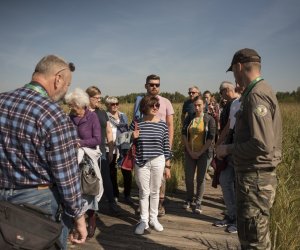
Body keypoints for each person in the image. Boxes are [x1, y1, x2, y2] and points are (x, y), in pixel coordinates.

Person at [0, 55, 87, 249]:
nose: (66, 91)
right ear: (58, 79)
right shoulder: (53, 114)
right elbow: (66, 175)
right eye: (67, 85)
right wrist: (79, 218)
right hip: (38, 204)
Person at [216, 48, 282, 249]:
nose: (235, 77)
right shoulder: (262, 90)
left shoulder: (256, 95)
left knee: (254, 240)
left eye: (234, 72)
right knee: (255, 235)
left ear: (238, 67)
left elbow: (261, 144)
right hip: (255, 178)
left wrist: (227, 149)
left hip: (255, 178)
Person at [133, 74, 174, 216]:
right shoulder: (140, 101)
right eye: (151, 84)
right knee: (143, 181)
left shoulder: (166, 102)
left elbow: (169, 126)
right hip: (143, 149)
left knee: (160, 180)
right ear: (146, 85)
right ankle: (144, 207)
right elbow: (136, 123)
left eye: (157, 84)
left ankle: (158, 207)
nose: (154, 87)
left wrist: (168, 148)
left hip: (159, 147)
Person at [65, 88, 102, 239]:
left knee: (89, 189)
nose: (70, 108)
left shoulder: (92, 117)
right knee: (75, 191)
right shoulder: (70, 117)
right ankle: (76, 221)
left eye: (72, 105)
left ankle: (92, 220)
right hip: (73, 160)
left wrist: (80, 143)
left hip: (88, 160)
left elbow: (97, 139)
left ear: (80, 104)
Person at [132, 95, 172, 235]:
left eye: (157, 105)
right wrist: (132, 137)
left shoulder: (162, 124)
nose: (156, 108)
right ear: (145, 107)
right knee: (144, 192)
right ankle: (143, 220)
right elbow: (126, 143)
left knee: (155, 191)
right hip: (141, 161)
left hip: (158, 160)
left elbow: (166, 146)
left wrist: (168, 166)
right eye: (152, 105)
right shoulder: (137, 123)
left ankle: (153, 218)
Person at [85, 86, 121, 215]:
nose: (99, 101)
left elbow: (109, 131)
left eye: (100, 98)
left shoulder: (102, 113)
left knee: (106, 177)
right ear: (88, 98)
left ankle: (112, 203)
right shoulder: (82, 112)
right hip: (86, 152)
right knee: (87, 179)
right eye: (97, 98)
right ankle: (88, 207)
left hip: (101, 151)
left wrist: (110, 151)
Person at [213, 81, 240, 234]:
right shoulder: (233, 104)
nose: (221, 95)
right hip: (229, 148)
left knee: (238, 185)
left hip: (240, 149)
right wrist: (218, 144)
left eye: (221, 92)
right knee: (225, 180)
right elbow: (228, 126)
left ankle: (238, 220)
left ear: (227, 90)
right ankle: (231, 215)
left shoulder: (246, 100)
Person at [181, 96, 216, 213]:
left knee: (200, 179)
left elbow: (211, 137)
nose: (197, 107)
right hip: (190, 152)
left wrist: (200, 152)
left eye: (199, 105)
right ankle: (189, 199)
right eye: (195, 105)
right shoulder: (189, 118)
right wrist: (190, 151)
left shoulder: (209, 119)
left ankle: (198, 202)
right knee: (189, 178)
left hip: (204, 153)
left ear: (204, 105)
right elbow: (184, 134)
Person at [105, 96, 133, 204]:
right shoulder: (105, 116)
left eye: (117, 103)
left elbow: (126, 130)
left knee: (127, 172)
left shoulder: (123, 116)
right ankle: (115, 194)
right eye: (112, 104)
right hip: (110, 147)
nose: (115, 105)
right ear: (107, 105)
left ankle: (127, 194)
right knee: (112, 172)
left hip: (123, 147)